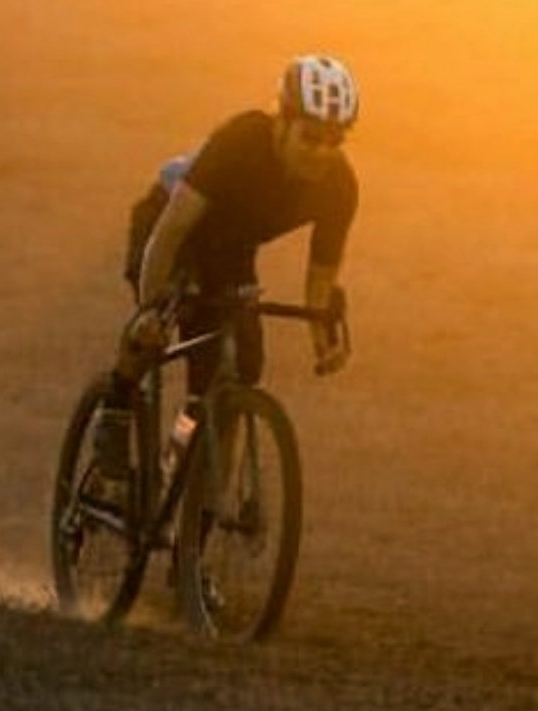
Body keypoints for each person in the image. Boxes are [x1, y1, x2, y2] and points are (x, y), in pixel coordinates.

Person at [91, 54, 360, 480]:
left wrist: (322, 340)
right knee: (155, 329)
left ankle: (182, 461)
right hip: (169, 224)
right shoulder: (241, 142)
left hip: (229, 249)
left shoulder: (339, 185)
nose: (322, 153)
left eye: (335, 140)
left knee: (239, 371)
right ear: (281, 121)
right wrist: (150, 309)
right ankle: (116, 407)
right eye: (310, 138)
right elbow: (171, 231)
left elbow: (321, 279)